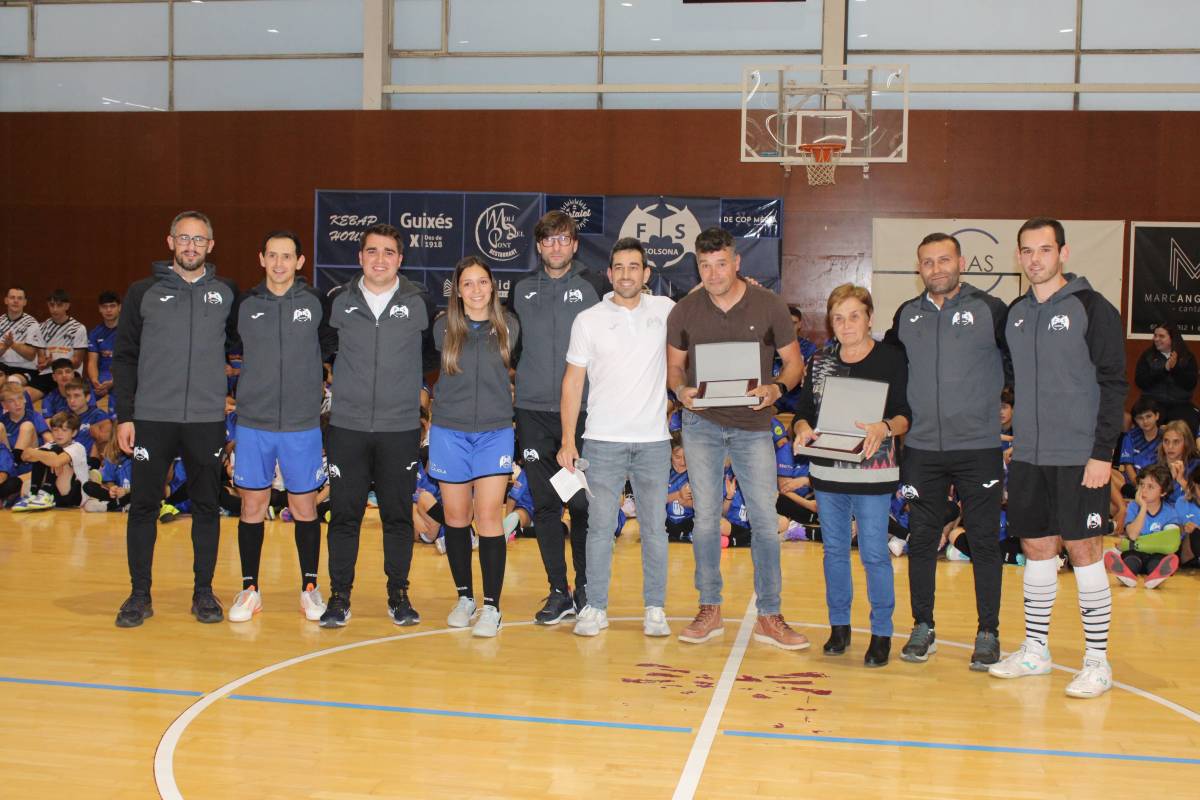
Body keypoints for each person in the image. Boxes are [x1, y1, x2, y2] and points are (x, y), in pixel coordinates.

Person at [988, 217, 1126, 698]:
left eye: (1044, 250)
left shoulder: (1093, 308)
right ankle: (1035, 650)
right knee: (1037, 548)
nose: (1034, 259)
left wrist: (1102, 453)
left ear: (1063, 254)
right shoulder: (1017, 314)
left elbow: (1114, 385)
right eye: (1026, 251)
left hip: (1079, 456)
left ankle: (1096, 662)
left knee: (1085, 550)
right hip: (1028, 455)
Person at [666, 227, 808, 650]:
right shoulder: (684, 311)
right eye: (704, 266)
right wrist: (680, 391)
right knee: (706, 518)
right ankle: (709, 607)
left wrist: (776, 390)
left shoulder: (769, 305)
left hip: (753, 426)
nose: (713, 273)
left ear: (737, 261)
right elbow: (674, 369)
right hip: (701, 425)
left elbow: (794, 364)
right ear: (697, 265)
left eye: (721, 263)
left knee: (765, 520)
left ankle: (770, 613)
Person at [883, 232, 1010, 671]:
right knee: (921, 539)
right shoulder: (906, 315)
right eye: (927, 262)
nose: (936, 269)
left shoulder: (991, 311)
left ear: (962, 262)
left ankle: (988, 631)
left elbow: (1020, 368)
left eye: (944, 260)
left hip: (978, 448)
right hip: (921, 448)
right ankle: (923, 626)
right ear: (918, 268)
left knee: (983, 541)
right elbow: (887, 371)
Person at [111, 210, 240, 628]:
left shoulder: (226, 293)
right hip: (153, 418)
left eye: (199, 240)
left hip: (205, 420)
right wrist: (126, 415)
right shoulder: (141, 292)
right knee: (144, 507)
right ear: (170, 242)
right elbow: (125, 356)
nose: (190, 246)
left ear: (210, 245)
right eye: (183, 238)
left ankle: (204, 592)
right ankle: (139, 594)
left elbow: (245, 348)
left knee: (206, 507)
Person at [557, 237, 674, 638]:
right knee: (600, 528)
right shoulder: (588, 319)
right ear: (609, 274)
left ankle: (655, 608)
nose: (626, 274)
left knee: (655, 529)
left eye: (633, 267)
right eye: (618, 267)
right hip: (601, 442)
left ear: (646, 274)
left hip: (654, 442)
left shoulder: (667, 311)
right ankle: (595, 607)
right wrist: (568, 440)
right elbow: (573, 384)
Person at [320, 222, 431, 628]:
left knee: (398, 516)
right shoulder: (338, 302)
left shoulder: (419, 302)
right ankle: (339, 596)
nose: (380, 259)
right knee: (344, 515)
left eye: (388, 252)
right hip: (347, 427)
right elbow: (326, 352)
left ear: (400, 259)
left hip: (398, 428)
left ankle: (398, 594)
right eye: (372, 251)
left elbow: (431, 358)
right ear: (360, 257)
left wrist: (411, 398)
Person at [794, 284, 911, 667]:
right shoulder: (821, 362)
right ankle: (839, 626)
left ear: (870, 318)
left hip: (874, 473)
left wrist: (885, 428)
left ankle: (881, 633)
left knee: (875, 555)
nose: (846, 324)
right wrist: (800, 429)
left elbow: (904, 413)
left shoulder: (892, 359)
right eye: (838, 318)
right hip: (827, 472)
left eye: (854, 316)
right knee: (834, 553)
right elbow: (804, 412)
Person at [226, 231, 335, 624]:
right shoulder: (245, 304)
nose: (278, 264)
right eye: (272, 255)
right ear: (261, 258)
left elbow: (335, 347)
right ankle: (250, 589)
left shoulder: (315, 302)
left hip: (301, 424)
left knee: (303, 507)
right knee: (252, 506)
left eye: (286, 257)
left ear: (299, 262)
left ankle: (309, 587)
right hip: (253, 422)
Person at [510, 210, 606, 624]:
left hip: (584, 413)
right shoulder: (519, 288)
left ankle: (586, 588)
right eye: (548, 241)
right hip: (532, 413)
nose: (555, 247)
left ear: (574, 244)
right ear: (538, 246)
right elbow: (511, 348)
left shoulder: (595, 284)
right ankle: (557, 591)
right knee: (546, 505)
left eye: (563, 239)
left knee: (583, 505)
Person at [429, 256, 519, 638]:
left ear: (492, 286)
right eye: (468, 283)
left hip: (494, 432)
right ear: (457, 289)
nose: (477, 290)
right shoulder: (441, 329)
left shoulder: (510, 327)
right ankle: (465, 597)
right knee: (454, 516)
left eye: (483, 282)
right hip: (449, 432)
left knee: (488, 518)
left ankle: (492, 606)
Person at [1104, 464, 1182, 589]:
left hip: (1156, 554)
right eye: (1141, 485)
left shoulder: (1170, 512)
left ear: (1163, 492)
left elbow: (1170, 542)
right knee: (1131, 559)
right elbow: (1133, 534)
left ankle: (1156, 577)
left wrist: (1138, 543)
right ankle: (1126, 576)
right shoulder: (1134, 507)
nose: (1144, 490)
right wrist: (1143, 508)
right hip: (1135, 553)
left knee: (1157, 561)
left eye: (1150, 487)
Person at [12, 410, 88, 510]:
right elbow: (24, 457)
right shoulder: (49, 445)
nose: (59, 434)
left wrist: (34, 452)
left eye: (64, 430)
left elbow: (56, 462)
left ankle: (45, 493)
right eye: (55, 430)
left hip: (74, 495)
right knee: (46, 453)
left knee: (53, 455)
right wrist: (40, 454)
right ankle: (34, 494)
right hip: (55, 493)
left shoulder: (78, 447)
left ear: (74, 433)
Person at [1134, 322, 1198, 433]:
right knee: (1145, 418)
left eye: (1161, 336)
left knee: (1190, 423)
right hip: (1152, 403)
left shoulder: (1187, 357)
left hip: (1180, 403)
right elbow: (1140, 382)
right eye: (1155, 335)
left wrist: (1175, 369)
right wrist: (1164, 370)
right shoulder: (1148, 355)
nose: (1156, 339)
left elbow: (1190, 384)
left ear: (1172, 338)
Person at [31, 289, 88, 399]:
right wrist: (44, 363)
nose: (55, 309)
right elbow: (41, 360)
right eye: (51, 305)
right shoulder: (41, 328)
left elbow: (76, 362)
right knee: (25, 396)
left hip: (69, 373)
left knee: (68, 393)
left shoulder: (78, 328)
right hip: (48, 374)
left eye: (59, 305)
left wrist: (55, 363)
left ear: (67, 306)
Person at [0, 286, 44, 385]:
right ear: (6, 300)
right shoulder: (0, 321)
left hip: (24, 369)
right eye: (12, 297)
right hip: (2, 366)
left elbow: (30, 355)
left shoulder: (32, 324)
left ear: (25, 302)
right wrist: (5, 346)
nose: (16, 301)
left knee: (11, 383)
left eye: (19, 298)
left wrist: (12, 344)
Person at [87, 291, 121, 405]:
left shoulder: (129, 331)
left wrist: (114, 381)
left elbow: (134, 362)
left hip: (124, 374)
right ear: (99, 309)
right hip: (103, 376)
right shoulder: (95, 333)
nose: (109, 310)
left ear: (119, 308)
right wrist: (95, 381)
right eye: (105, 307)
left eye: (112, 306)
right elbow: (92, 362)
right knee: (83, 399)